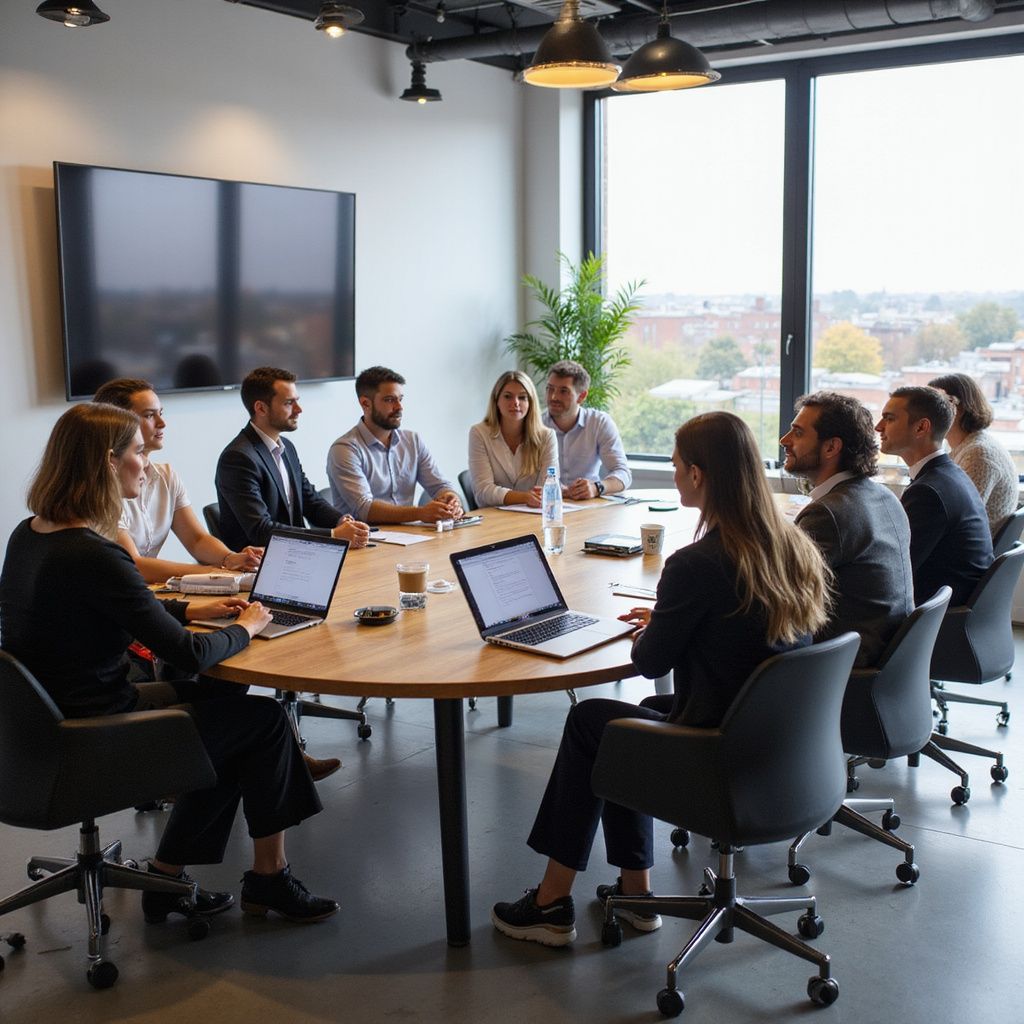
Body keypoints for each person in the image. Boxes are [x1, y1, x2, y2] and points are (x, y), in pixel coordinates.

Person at [491, 412, 831, 946]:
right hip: (782, 747)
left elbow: (651, 661)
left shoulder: (696, 563)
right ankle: (637, 894)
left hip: (720, 753)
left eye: (675, 467)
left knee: (591, 720)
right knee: (628, 721)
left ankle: (551, 901)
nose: (673, 476)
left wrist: (659, 629)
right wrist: (673, 620)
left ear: (698, 475)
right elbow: (743, 628)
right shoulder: (792, 548)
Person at [0, 403, 338, 924]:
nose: (148, 462)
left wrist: (192, 607)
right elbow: (190, 653)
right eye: (138, 451)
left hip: (45, 727)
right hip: (94, 733)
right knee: (264, 723)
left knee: (227, 713)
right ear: (108, 464)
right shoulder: (94, 553)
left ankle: (167, 877)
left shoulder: (31, 535)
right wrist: (245, 627)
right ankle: (268, 880)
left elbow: (115, 603)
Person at [780, 391, 914, 667]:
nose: (785, 440)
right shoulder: (883, 496)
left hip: (844, 666)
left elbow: (780, 595)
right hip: (884, 656)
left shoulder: (827, 514)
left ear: (831, 448)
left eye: (798, 433)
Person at [92, 378, 263, 585]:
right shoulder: (98, 487)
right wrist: (214, 572)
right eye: (149, 415)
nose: (162, 423)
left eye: (160, 413)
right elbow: (134, 564)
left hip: (149, 590)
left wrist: (230, 559)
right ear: (118, 422)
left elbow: (196, 539)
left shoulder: (167, 475)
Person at [215, 367, 371, 552]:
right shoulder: (238, 458)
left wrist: (342, 521)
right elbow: (261, 530)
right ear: (261, 408)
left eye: (297, 401)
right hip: (259, 565)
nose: (299, 410)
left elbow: (309, 500)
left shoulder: (287, 447)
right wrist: (334, 535)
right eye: (289, 403)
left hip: (297, 556)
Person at [876, 386, 993, 606]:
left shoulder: (928, 491)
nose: (878, 427)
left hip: (935, 616)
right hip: (952, 605)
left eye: (889, 419)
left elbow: (896, 569)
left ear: (921, 427)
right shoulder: (949, 473)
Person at [326, 366, 464, 524]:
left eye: (400, 399)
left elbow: (440, 485)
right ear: (365, 403)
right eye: (389, 400)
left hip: (411, 537)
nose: (399, 407)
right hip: (367, 540)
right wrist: (420, 513)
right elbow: (365, 508)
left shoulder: (413, 441)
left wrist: (451, 499)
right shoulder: (345, 449)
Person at [928, 372, 1019, 536]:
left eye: (933, 405)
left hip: (968, 555)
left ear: (959, 408)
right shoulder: (966, 446)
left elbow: (960, 517)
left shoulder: (979, 454)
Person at [467, 370, 558, 508]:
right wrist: (525, 497)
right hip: (494, 519)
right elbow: (483, 491)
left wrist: (535, 498)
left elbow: (548, 489)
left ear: (530, 403)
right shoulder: (479, 433)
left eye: (522, 397)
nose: (515, 403)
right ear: (496, 401)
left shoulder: (547, 436)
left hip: (534, 516)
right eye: (508, 396)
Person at [542, 359, 631, 500]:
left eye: (563, 391)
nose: (554, 397)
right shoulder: (536, 425)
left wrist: (597, 487)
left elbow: (623, 473)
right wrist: (560, 490)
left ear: (582, 396)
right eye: (550, 389)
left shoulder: (599, 423)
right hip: (547, 506)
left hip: (588, 504)